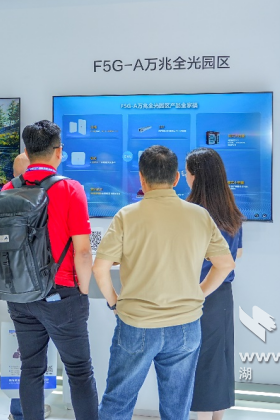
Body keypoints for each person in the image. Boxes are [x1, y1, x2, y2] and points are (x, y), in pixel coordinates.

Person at [92, 145, 235, 420]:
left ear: (141, 178)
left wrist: (114, 303)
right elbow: (226, 264)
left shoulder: (126, 216)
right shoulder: (199, 215)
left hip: (137, 323)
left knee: (117, 402)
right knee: (176, 408)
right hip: (186, 326)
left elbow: (100, 268)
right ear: (176, 178)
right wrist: (199, 294)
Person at [1, 120, 98, 420]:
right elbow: (83, 251)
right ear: (58, 151)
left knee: (31, 368)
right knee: (79, 370)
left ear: (27, 151)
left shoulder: (8, 189)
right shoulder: (70, 189)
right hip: (62, 294)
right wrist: (83, 291)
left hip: (20, 294)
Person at [186, 148, 244, 420]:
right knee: (219, 358)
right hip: (222, 294)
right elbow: (238, 253)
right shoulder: (231, 211)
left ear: (196, 177)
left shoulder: (192, 213)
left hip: (196, 293)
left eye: (187, 172)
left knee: (200, 360)